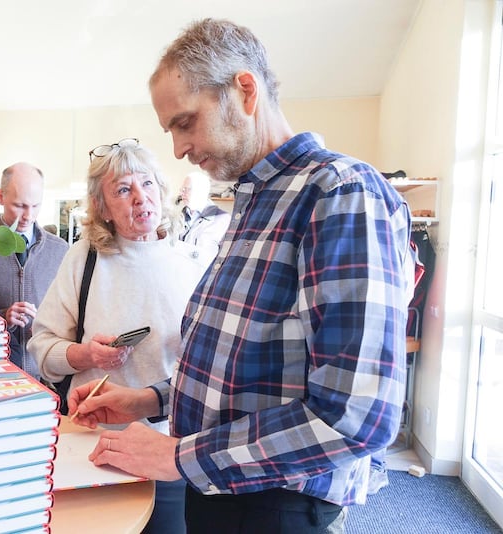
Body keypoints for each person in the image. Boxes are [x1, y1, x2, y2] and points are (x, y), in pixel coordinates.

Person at [68, 19, 413, 534]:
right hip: (224, 489)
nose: (180, 149)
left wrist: (176, 458)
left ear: (244, 91)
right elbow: (245, 369)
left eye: (186, 122)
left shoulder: (339, 192)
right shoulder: (255, 201)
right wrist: (150, 399)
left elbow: (356, 416)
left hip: (275, 504)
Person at [28, 138, 208, 534]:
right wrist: (85, 356)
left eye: (147, 184)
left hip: (166, 447)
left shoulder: (193, 267)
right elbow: (41, 347)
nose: (140, 198)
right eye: (123, 190)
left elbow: (204, 372)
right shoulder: (84, 259)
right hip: (90, 445)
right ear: (103, 208)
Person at [0, 162, 69, 380]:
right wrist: (1, 319)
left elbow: (70, 318)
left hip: (46, 377)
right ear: (0, 196)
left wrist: (46, 325)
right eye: (19, 205)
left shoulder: (61, 251)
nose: (28, 215)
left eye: (36, 206)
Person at [178, 170, 230, 263]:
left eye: (187, 189)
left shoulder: (223, 219)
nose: (182, 194)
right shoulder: (179, 216)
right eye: (182, 190)